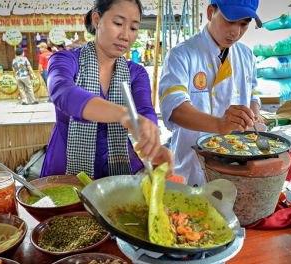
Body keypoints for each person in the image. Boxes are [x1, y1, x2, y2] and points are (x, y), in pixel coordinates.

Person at [40, 0, 173, 179]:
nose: (125, 35)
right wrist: (124, 115)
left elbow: (144, 111)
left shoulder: (136, 73)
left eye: (133, 28)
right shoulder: (64, 60)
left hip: (120, 168)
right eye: (118, 23)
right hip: (67, 170)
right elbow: (64, 94)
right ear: (97, 19)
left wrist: (153, 144)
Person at [159, 0, 264, 187]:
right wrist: (219, 124)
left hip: (237, 165)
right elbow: (174, 108)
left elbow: (252, 94)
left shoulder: (247, 56)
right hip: (193, 167)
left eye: (244, 23)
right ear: (210, 12)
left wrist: (254, 113)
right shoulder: (181, 55)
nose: (236, 32)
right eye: (230, 20)